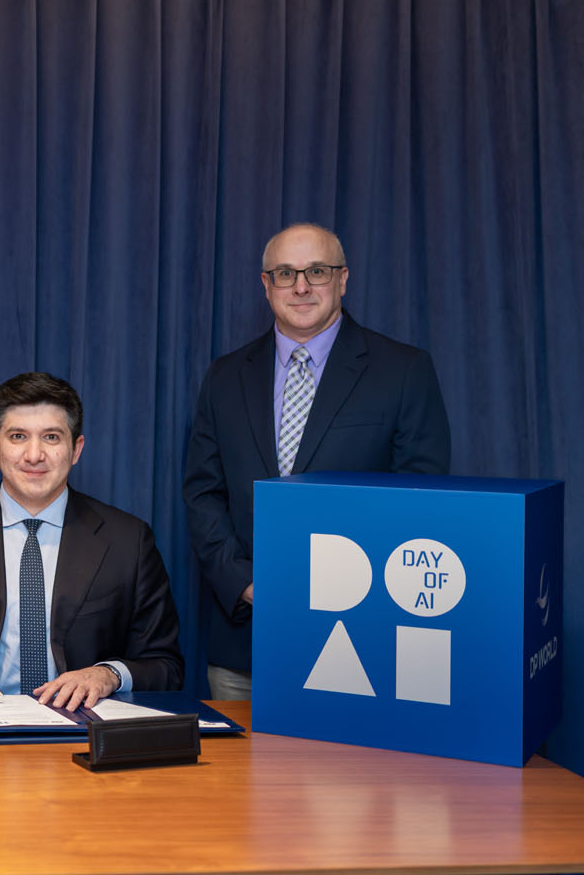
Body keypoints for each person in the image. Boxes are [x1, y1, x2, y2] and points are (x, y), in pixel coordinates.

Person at [184, 223, 450, 700]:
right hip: (246, 641)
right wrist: (243, 583)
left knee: (350, 774)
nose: (301, 286)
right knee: (238, 775)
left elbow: (421, 501)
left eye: (317, 271)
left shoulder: (404, 370)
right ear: (266, 285)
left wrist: (346, 591)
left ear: (343, 279)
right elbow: (204, 492)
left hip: (363, 641)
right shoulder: (224, 376)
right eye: (286, 273)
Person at [0, 372, 184, 707]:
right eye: (17, 436)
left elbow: (166, 667)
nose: (33, 455)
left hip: (84, 729)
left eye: (52, 438)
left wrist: (108, 675)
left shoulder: (128, 541)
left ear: (76, 449)